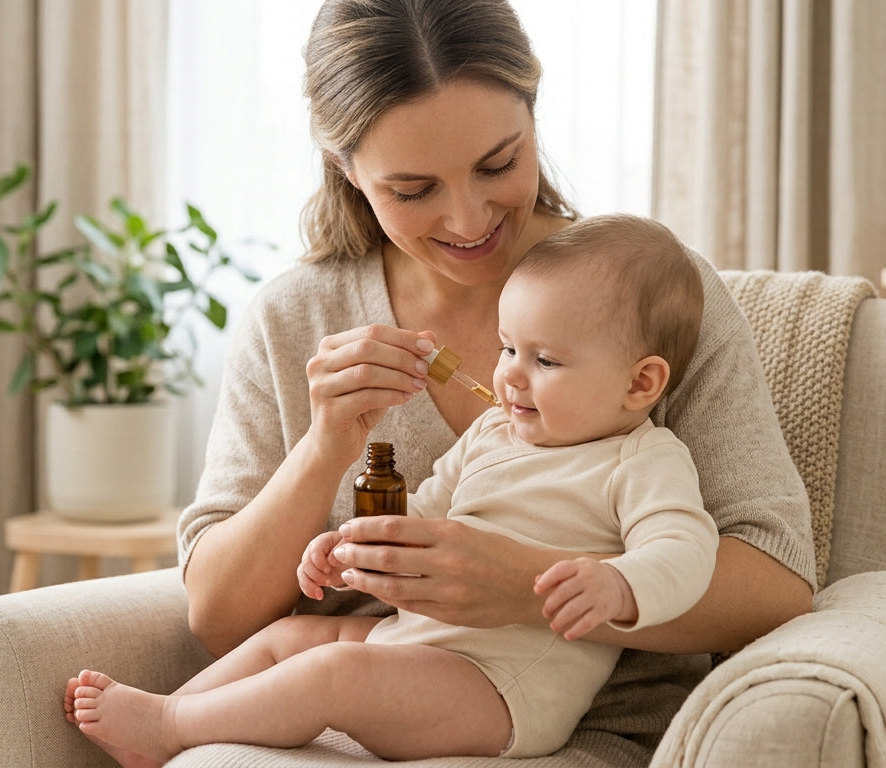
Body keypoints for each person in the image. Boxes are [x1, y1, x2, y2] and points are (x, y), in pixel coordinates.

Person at [68, 0, 814, 763]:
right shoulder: (293, 318)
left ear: (534, 113)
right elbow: (220, 619)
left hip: (574, 723)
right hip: (366, 684)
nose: (468, 219)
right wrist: (328, 450)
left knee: (332, 667)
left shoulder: (641, 301)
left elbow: (779, 584)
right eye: (413, 189)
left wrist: (525, 588)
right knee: (306, 650)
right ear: (346, 169)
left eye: (499, 164)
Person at [65, 215, 719, 763]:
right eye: (508, 349)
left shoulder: (641, 460)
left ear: (640, 384)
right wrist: (353, 552)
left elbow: (686, 548)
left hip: (499, 693)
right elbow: (422, 519)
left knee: (333, 677)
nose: (513, 378)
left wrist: (621, 586)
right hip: (414, 646)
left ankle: (171, 733)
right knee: (291, 640)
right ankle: (173, 713)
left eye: (545, 361)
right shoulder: (495, 433)